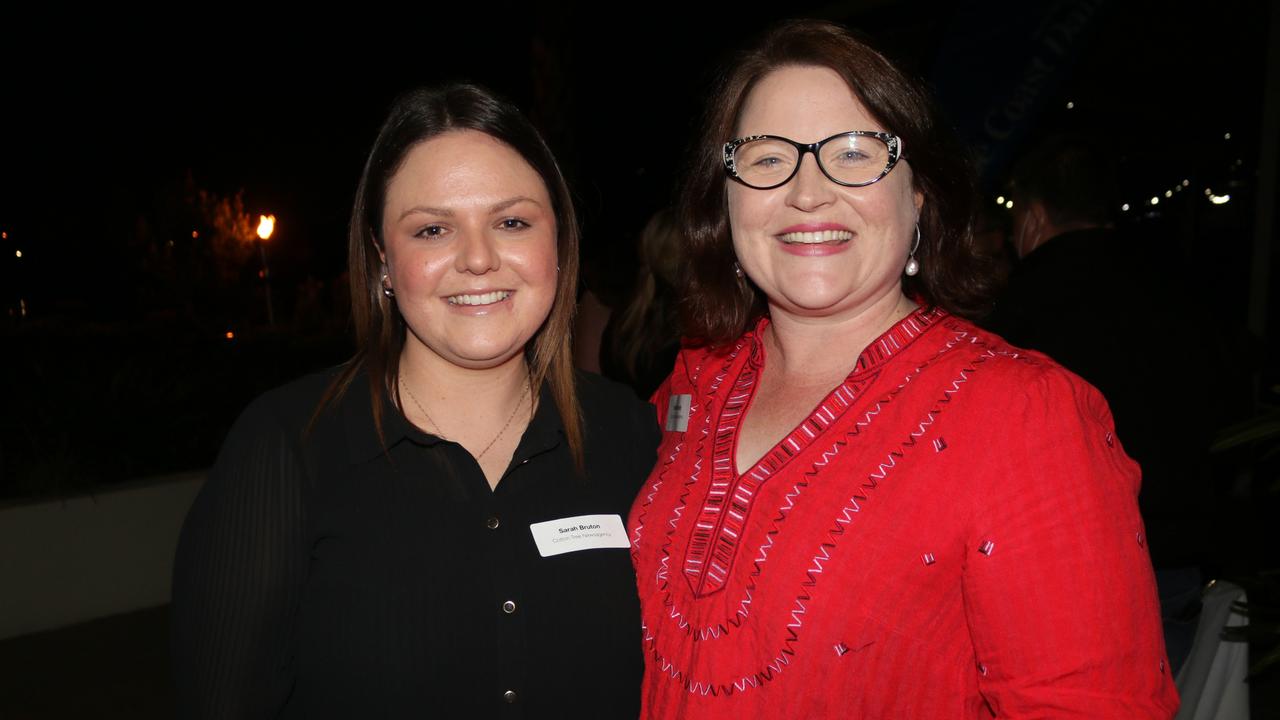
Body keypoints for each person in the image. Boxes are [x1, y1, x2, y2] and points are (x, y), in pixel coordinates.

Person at [628, 20, 1178, 719]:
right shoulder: (688, 387)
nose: (806, 192)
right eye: (766, 159)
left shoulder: (1025, 416)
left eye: (855, 153)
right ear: (727, 198)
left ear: (918, 195)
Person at [171, 84, 660, 719]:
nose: (479, 259)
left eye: (512, 222)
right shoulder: (287, 447)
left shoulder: (629, 434)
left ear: (559, 244)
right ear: (382, 259)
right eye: (432, 229)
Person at [985, 135, 1226, 675]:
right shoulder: (1177, 285)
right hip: (1173, 552)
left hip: (1065, 569)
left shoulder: (1023, 304)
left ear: (1033, 214)